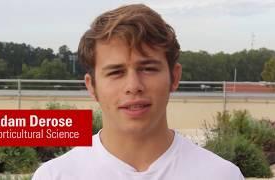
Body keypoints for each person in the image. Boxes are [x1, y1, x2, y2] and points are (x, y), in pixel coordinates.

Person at [32, 4, 244, 180]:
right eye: (116, 72)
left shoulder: (221, 175)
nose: (133, 85)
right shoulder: (55, 176)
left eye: (148, 68)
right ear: (91, 86)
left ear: (175, 77)